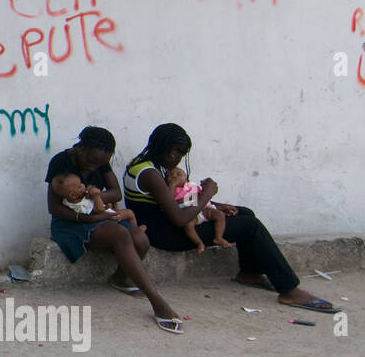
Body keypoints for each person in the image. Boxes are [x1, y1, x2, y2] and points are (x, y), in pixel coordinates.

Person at [123, 123, 338, 313]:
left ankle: (250, 273)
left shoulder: (147, 165)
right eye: (180, 153)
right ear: (170, 152)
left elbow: (177, 201)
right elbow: (179, 218)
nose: (179, 159)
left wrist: (215, 206)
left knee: (243, 213)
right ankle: (289, 290)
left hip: (167, 224)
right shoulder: (150, 174)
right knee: (251, 225)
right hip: (166, 234)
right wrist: (207, 194)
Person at [45, 126, 184, 334]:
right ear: (81, 148)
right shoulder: (61, 162)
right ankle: (156, 301)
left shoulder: (100, 162)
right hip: (72, 222)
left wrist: (94, 198)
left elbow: (116, 193)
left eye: (99, 163)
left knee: (140, 238)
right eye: (91, 161)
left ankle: (121, 277)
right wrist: (89, 215)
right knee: (120, 234)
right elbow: (54, 208)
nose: (94, 167)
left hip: (99, 214)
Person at [166, 166, 230, 251]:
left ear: (185, 176)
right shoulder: (170, 190)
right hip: (191, 215)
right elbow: (170, 202)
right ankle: (199, 243)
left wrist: (205, 184)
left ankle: (218, 237)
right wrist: (172, 185)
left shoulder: (192, 185)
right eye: (171, 175)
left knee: (220, 215)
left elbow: (204, 197)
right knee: (188, 226)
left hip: (204, 211)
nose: (175, 176)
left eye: (178, 174)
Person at [51, 172, 140, 226]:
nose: (83, 185)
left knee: (110, 204)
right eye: (79, 187)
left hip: (105, 214)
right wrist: (96, 196)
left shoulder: (68, 201)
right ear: (73, 195)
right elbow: (99, 210)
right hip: (107, 218)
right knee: (129, 213)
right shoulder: (81, 206)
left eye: (81, 183)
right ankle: (135, 228)